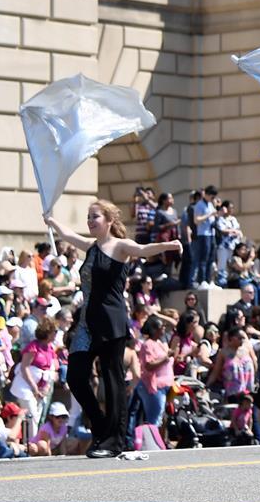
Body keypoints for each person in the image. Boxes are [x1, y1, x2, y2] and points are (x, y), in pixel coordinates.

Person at [44, 200, 181, 458]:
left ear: (108, 220)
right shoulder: (91, 247)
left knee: (113, 380)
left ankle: (114, 441)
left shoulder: (119, 246)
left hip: (111, 321)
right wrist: (51, 221)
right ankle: (100, 427)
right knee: (75, 376)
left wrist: (170, 245)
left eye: (95, 216)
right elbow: (69, 235)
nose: (90, 220)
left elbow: (142, 249)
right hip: (87, 323)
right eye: (88, 216)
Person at [137, 316, 175, 428]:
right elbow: (148, 365)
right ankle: (151, 443)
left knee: (161, 419)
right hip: (154, 387)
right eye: (161, 327)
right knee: (154, 420)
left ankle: (159, 442)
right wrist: (165, 358)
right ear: (154, 329)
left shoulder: (160, 343)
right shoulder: (148, 344)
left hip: (166, 386)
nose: (163, 329)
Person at [191, 185, 220, 289]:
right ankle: (201, 280)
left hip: (211, 233)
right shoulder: (199, 205)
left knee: (211, 258)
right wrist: (209, 215)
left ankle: (208, 280)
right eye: (212, 197)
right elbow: (196, 220)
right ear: (207, 194)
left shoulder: (210, 204)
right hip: (203, 234)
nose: (213, 199)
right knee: (203, 258)